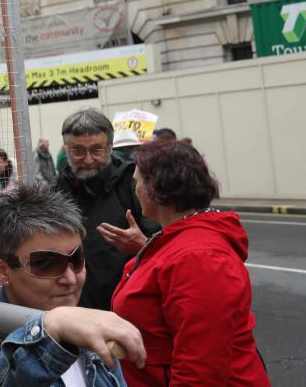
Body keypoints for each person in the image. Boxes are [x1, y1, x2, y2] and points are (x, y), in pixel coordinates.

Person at [0, 183, 146, 386]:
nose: (70, 279)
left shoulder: (89, 328)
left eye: (76, 258)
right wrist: (49, 330)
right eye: (47, 263)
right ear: (3, 271)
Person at [110, 141, 270, 385]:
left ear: (153, 186)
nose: (136, 189)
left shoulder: (198, 257)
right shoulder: (181, 240)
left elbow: (200, 369)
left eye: (137, 181)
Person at [53, 108, 157, 310]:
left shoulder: (135, 184)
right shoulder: (55, 190)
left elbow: (167, 242)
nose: (89, 159)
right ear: (66, 149)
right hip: (75, 307)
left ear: (110, 147)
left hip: (129, 304)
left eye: (97, 150)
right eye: (78, 151)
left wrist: (143, 245)